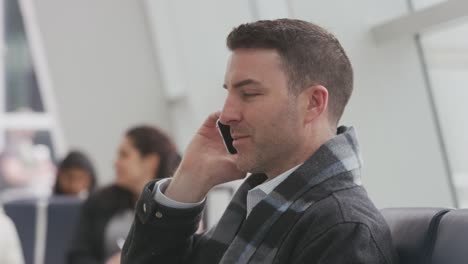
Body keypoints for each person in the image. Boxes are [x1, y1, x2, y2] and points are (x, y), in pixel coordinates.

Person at [122, 19, 398, 264]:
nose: (226, 115)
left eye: (250, 94)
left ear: (313, 103)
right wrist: (187, 183)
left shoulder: (343, 230)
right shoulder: (262, 199)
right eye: (228, 93)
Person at [67, 126, 180, 264]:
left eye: (124, 155)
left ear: (150, 161)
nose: (115, 162)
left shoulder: (177, 207)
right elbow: (77, 255)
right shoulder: (99, 201)